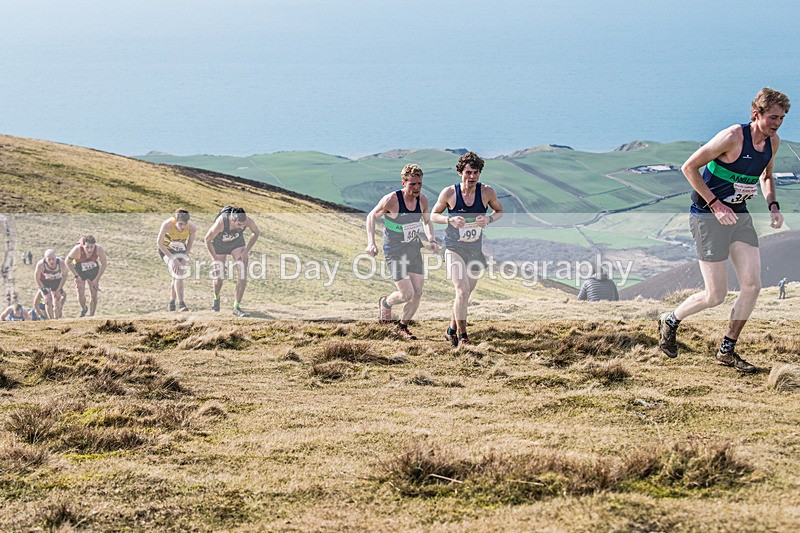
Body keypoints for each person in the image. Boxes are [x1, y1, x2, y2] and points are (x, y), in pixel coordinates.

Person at [658, 87, 789, 373]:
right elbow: (689, 167)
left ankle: (727, 349)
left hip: (739, 216)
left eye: (782, 118)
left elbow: (766, 177)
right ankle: (670, 319)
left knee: (752, 286)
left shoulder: (772, 143)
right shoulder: (732, 137)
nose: (777, 123)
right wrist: (716, 204)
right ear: (757, 114)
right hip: (708, 216)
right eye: (773, 118)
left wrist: (773, 205)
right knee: (715, 295)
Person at [431, 151, 504, 346]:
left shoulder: (487, 192)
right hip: (454, 247)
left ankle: (450, 329)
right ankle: (463, 337)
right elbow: (433, 215)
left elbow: (499, 211)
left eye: (476, 173)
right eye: (468, 172)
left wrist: (488, 219)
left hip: (475, 249)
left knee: (465, 294)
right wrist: (449, 219)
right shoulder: (449, 193)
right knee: (462, 290)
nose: (472, 177)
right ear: (460, 172)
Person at [365, 164, 440, 339]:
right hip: (395, 250)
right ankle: (386, 303)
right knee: (407, 294)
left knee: (418, 292)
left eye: (419, 184)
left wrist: (432, 240)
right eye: (412, 184)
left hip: (413, 248)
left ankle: (402, 326)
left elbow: (427, 221)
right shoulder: (392, 200)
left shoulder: (423, 200)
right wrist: (371, 243)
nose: (416, 188)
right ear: (403, 182)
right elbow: (371, 216)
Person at [204, 206, 260, 317]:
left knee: (242, 273)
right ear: (232, 220)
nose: (242, 227)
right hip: (219, 245)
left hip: (237, 244)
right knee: (219, 277)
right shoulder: (221, 222)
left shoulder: (247, 220)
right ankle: (216, 299)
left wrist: (245, 252)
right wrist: (215, 259)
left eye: (243, 224)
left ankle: (236, 306)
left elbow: (256, 233)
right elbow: (207, 240)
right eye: (239, 224)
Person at [156, 209, 197, 312]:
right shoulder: (167, 224)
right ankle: (181, 304)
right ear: (175, 221)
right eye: (181, 224)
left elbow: (190, 244)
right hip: (166, 250)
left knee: (176, 275)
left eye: (185, 224)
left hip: (180, 251)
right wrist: (173, 259)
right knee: (178, 273)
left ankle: (172, 303)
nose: (183, 227)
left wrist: (184, 258)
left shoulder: (192, 228)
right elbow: (159, 243)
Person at [66, 235, 108, 317]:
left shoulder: (99, 249)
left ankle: (91, 315)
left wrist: (97, 279)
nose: (89, 250)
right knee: (80, 291)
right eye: (87, 247)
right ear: (83, 245)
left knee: (94, 293)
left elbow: (104, 264)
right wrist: (76, 275)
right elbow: (67, 262)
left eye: (92, 247)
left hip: (92, 269)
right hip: (79, 269)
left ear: (94, 245)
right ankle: (84, 307)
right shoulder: (77, 249)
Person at [33, 249, 68, 319]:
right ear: (45, 259)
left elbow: (65, 275)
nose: (52, 262)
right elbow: (36, 278)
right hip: (44, 282)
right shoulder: (41, 264)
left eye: (53, 259)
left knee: (57, 297)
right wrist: (42, 289)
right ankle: (51, 319)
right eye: (49, 259)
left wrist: (60, 287)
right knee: (47, 300)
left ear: (56, 257)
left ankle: (57, 317)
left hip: (56, 281)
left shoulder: (61, 263)